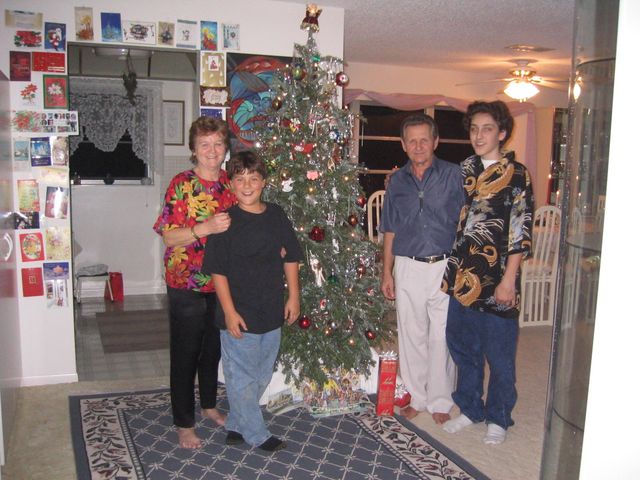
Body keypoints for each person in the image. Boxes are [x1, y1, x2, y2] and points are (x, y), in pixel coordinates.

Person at [441, 100, 534, 445]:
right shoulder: (465, 169)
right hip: (463, 276)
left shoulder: (518, 174)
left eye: (487, 129)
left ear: (502, 133)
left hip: (497, 277)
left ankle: (499, 415)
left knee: (499, 354)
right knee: (462, 346)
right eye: (474, 129)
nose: (479, 136)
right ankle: (470, 408)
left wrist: (509, 280)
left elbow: (520, 230)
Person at [202, 151, 302, 452]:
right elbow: (217, 272)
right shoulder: (225, 222)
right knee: (242, 376)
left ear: (264, 182)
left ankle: (236, 422)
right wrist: (229, 312)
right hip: (238, 312)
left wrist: (294, 296)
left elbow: (291, 256)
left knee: (262, 373)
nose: (247, 185)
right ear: (231, 183)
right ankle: (257, 433)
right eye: (240, 179)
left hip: (270, 308)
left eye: (254, 179)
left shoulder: (276, 215)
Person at [153, 116, 236, 449]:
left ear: (226, 147)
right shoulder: (181, 184)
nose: (212, 151)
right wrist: (205, 228)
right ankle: (184, 423)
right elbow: (169, 237)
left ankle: (209, 405)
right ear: (194, 148)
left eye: (218, 143)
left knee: (212, 350)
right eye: (205, 144)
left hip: (222, 282)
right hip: (185, 279)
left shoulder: (231, 183)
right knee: (186, 353)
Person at [379, 113, 464, 424]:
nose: (418, 146)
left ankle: (441, 400)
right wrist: (386, 272)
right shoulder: (396, 182)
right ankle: (417, 397)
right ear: (403, 145)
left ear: (435, 142)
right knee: (411, 333)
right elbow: (389, 228)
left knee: (441, 335)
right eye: (412, 141)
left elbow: (468, 219)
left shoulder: (455, 175)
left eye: (424, 140)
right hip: (407, 265)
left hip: (444, 264)